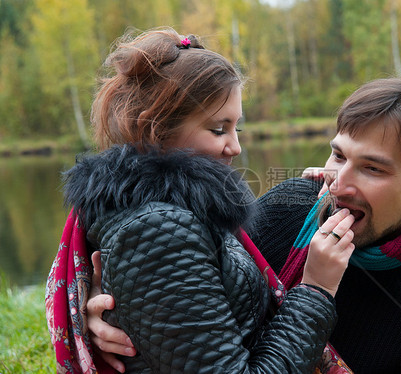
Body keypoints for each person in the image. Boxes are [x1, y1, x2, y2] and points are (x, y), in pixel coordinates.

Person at [87, 77, 401, 373]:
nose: (339, 182)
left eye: (373, 169)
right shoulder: (294, 208)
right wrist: (107, 308)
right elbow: (182, 278)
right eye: (338, 155)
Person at [45, 27, 359, 374]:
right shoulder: (158, 231)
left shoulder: (177, 214)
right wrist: (315, 290)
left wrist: (303, 197)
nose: (235, 148)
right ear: (157, 129)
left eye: (236, 128)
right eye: (218, 129)